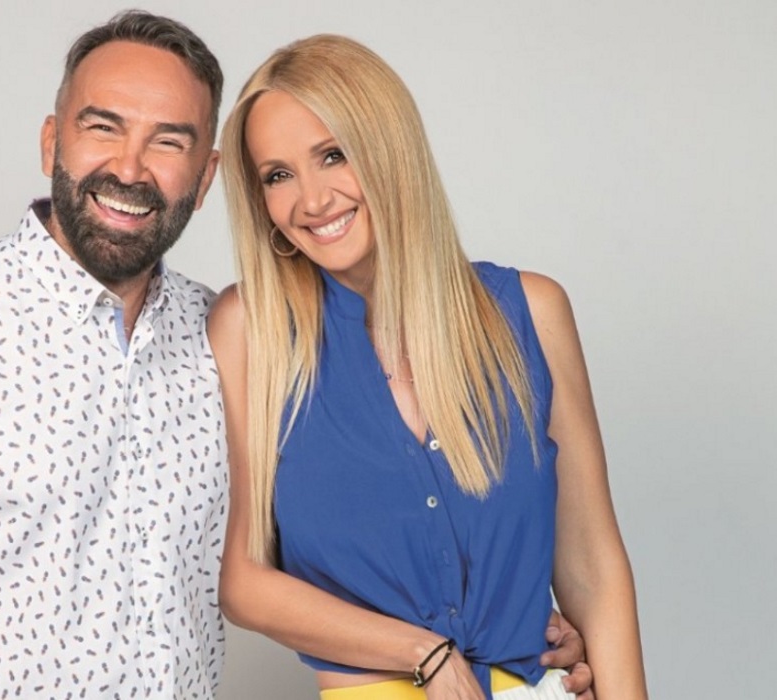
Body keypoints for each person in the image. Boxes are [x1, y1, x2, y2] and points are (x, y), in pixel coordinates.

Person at [0, 12, 595, 699]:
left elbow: (335, 531)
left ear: (207, 177)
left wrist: (510, 621)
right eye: (103, 126)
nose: (130, 167)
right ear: (51, 141)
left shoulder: (229, 338)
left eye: (168, 141)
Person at [208, 35, 645, 700]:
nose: (312, 200)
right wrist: (426, 653)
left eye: (333, 155)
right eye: (278, 175)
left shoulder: (531, 312)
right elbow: (244, 581)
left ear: (391, 149)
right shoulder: (252, 331)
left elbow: (593, 566)